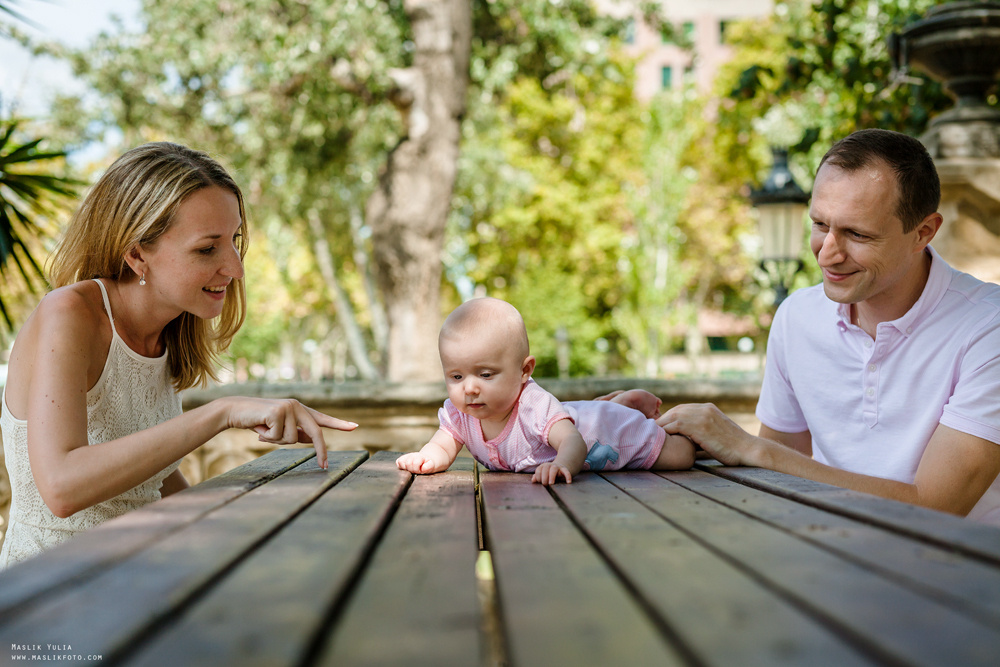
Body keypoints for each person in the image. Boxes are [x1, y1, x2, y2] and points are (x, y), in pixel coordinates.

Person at [0, 142, 358, 568]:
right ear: (137, 254)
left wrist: (240, 535)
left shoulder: (169, 329)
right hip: (49, 586)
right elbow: (61, 487)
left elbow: (148, 480)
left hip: (141, 572)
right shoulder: (70, 312)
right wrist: (222, 412)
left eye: (234, 241)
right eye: (207, 249)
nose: (236, 269)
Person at [658, 128, 1000, 524]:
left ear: (923, 233)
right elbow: (775, 467)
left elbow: (934, 507)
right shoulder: (797, 317)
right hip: (826, 551)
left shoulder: (988, 327)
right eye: (820, 224)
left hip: (956, 561)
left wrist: (754, 449)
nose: (827, 254)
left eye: (857, 234)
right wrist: (647, 432)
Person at [396, 297, 695, 484]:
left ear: (524, 371)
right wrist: (426, 458)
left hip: (609, 433)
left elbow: (573, 441)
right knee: (576, 411)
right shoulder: (459, 414)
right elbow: (442, 447)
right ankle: (620, 403)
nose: (470, 388)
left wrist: (561, 464)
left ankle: (634, 414)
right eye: (456, 376)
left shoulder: (532, 405)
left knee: (682, 457)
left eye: (485, 374)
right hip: (579, 416)